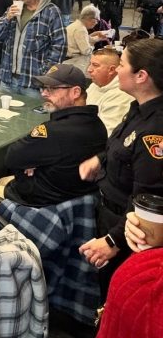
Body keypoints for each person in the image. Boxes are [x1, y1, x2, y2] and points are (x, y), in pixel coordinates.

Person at [0, 64, 107, 224]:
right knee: (2, 181)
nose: (43, 93)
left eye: (52, 89)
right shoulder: (98, 126)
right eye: (43, 88)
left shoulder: (53, 131)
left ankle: (6, 237)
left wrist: (30, 166)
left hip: (40, 207)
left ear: (75, 92)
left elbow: (11, 158)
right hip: (71, 198)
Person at [78, 39, 163, 302]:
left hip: (126, 229)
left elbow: (149, 197)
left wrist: (113, 242)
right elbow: (124, 147)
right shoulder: (138, 108)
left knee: (116, 295)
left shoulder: (155, 130)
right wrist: (101, 159)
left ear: (141, 76)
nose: (117, 70)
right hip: (108, 211)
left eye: (122, 65)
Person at [0, 0, 67, 97]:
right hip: (8, 79)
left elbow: (60, 46)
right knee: (5, 115)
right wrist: (7, 18)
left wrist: (45, 73)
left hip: (33, 83)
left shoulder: (51, 11)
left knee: (32, 116)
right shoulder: (14, 8)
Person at [86, 47, 134, 136]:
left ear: (111, 70)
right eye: (90, 64)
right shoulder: (94, 85)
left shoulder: (121, 96)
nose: (89, 69)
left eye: (95, 65)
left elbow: (107, 134)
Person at [65, 5, 108, 74]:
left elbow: (84, 39)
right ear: (92, 19)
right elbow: (86, 51)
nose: (96, 23)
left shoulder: (77, 25)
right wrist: (93, 44)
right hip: (73, 60)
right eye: (97, 20)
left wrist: (98, 38)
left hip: (69, 58)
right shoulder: (81, 30)